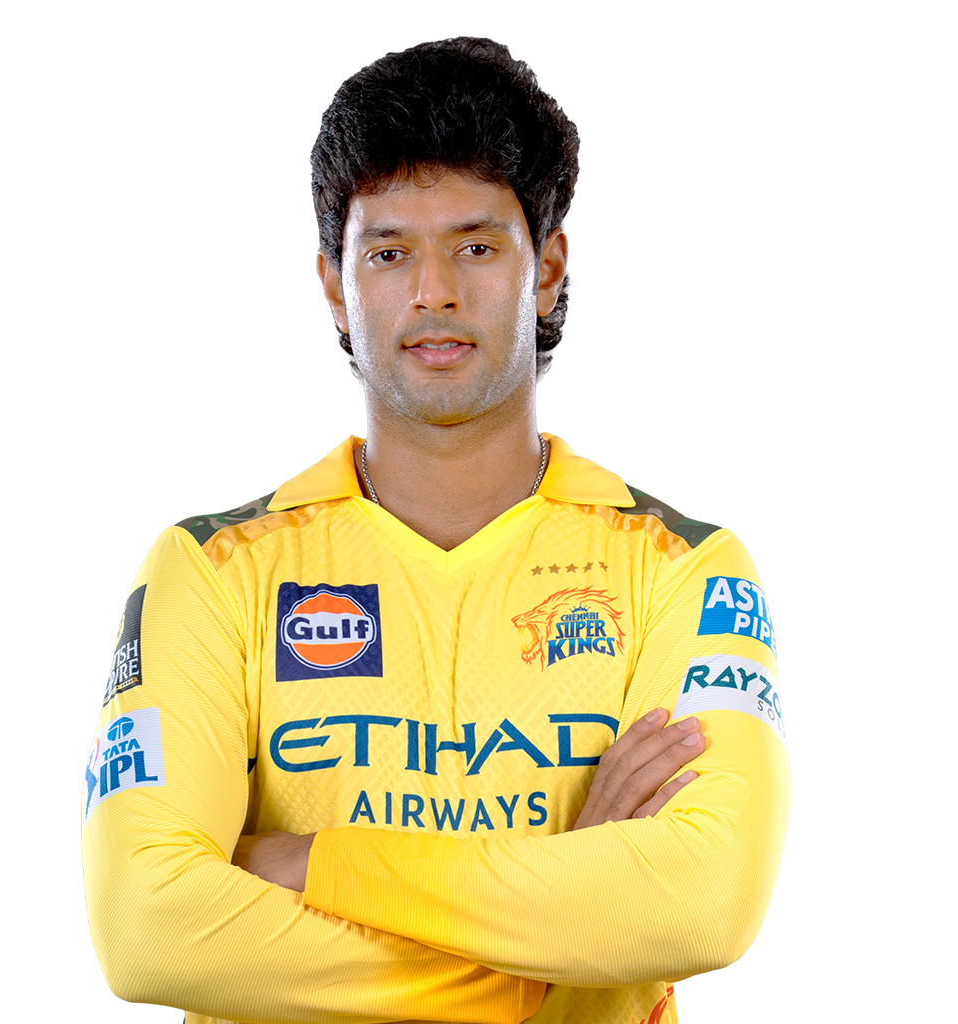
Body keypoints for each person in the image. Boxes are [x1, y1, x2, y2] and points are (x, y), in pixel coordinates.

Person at [83, 37, 790, 1024]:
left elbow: (702, 901)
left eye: (475, 247)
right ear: (336, 288)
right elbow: (147, 927)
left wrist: (315, 863)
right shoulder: (213, 571)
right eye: (387, 253)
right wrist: (554, 943)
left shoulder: (682, 567)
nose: (433, 293)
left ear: (546, 272)